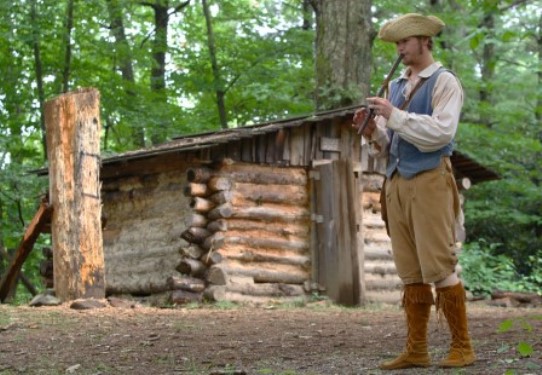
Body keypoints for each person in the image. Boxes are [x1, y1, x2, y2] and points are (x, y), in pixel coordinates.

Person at [352, 13, 476, 370]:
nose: (400, 49)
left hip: (431, 181)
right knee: (411, 272)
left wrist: (393, 115)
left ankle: (462, 346)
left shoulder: (444, 81)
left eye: (405, 42)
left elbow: (441, 134)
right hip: (397, 183)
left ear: (424, 41)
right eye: (396, 44)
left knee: (439, 265)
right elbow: (390, 144)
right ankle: (417, 350)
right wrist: (372, 130)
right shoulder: (395, 87)